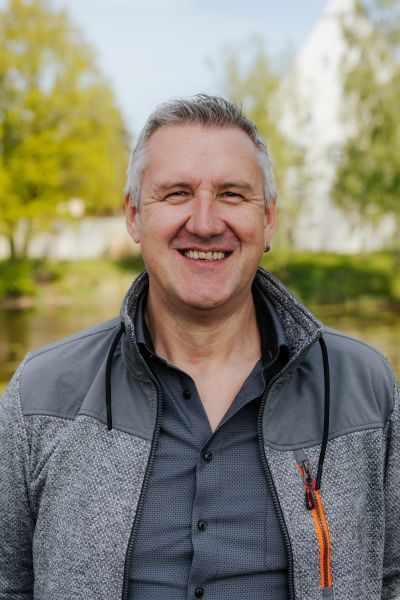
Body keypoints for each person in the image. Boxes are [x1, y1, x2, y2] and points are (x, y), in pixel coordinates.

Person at [0, 95, 398, 600]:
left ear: (268, 218)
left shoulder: (365, 388)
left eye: (232, 194)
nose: (206, 223)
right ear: (134, 215)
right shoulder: (40, 395)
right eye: (177, 194)